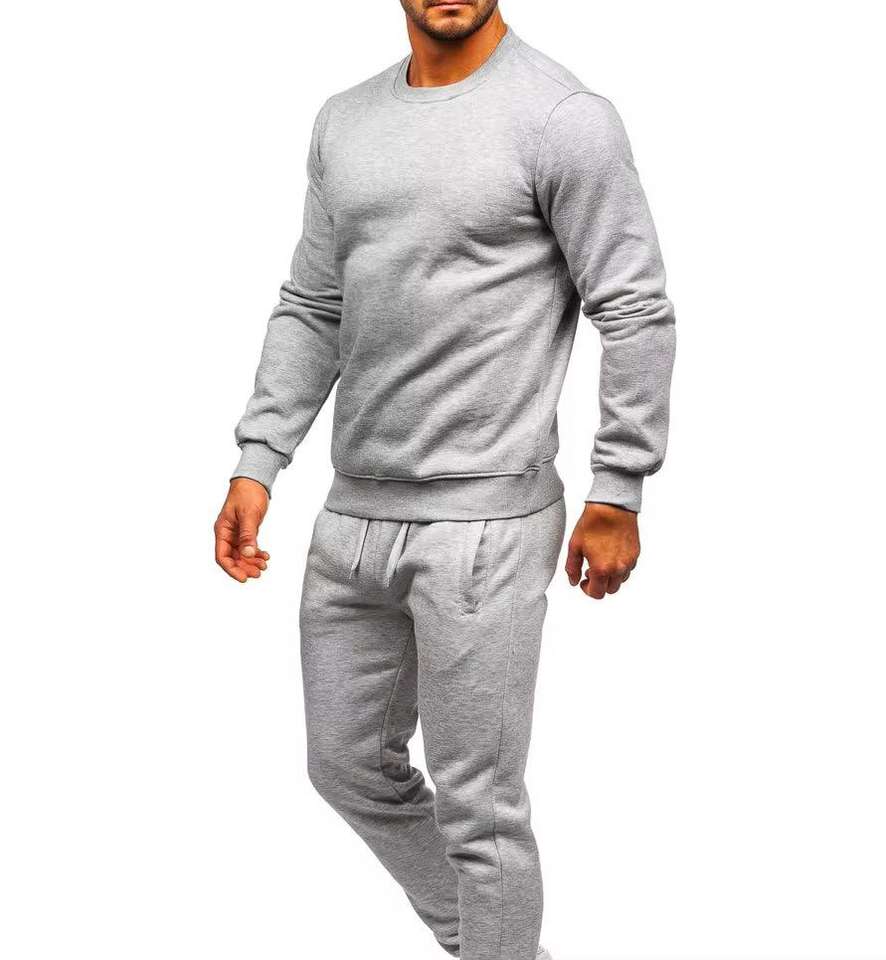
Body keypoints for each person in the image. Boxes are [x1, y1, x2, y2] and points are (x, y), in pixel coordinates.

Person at [214, 2, 676, 957]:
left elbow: (633, 306)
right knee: (348, 768)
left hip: (486, 525)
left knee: (481, 812)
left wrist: (618, 486)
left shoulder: (562, 118)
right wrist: (260, 460)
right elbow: (315, 302)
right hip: (351, 516)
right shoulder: (345, 121)